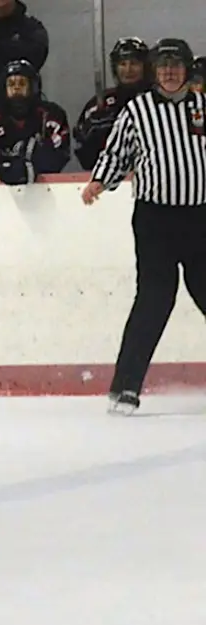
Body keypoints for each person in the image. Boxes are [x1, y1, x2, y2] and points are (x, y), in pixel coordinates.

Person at [83, 38, 206, 416]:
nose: (170, 71)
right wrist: (99, 181)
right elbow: (117, 152)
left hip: (201, 218)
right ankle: (125, 387)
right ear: (155, 70)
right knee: (154, 300)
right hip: (155, 219)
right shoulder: (137, 110)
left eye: (176, 64)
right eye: (163, 65)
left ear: (187, 69)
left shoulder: (203, 107)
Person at [0, 59, 71, 185]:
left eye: (21, 83)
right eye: (11, 84)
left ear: (33, 86)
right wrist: (2, 167)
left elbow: (61, 153)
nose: (16, 88)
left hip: (47, 189)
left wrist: (33, 163)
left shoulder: (51, 114)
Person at [75, 38, 151, 171]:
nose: (128, 69)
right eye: (122, 63)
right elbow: (85, 158)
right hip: (108, 182)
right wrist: (94, 139)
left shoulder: (156, 101)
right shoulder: (99, 104)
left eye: (134, 63)